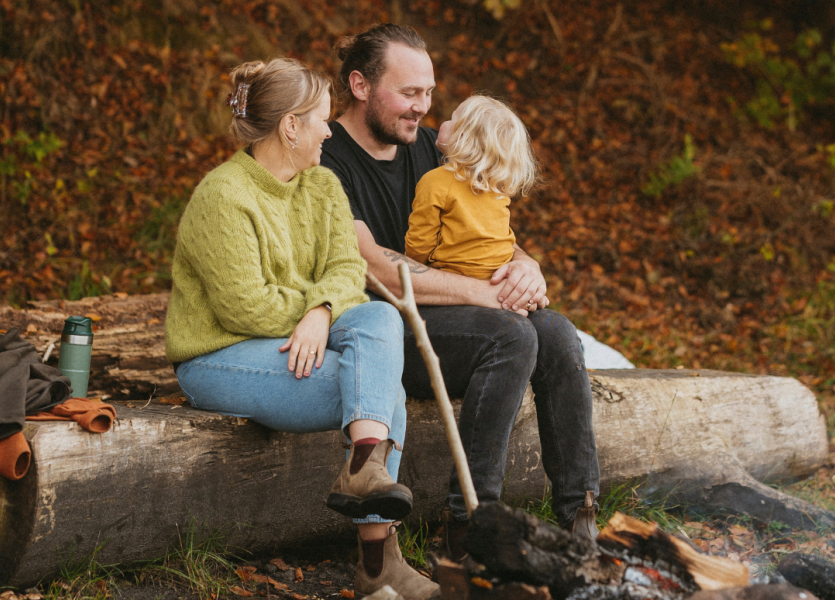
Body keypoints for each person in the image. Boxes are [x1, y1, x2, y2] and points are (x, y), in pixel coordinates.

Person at [320, 24, 601, 557]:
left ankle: (580, 517)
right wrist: (485, 296)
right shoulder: (328, 160)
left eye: (428, 92)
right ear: (359, 85)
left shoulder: (430, 147)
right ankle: (473, 520)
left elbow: (488, 232)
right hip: (382, 331)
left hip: (461, 319)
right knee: (511, 336)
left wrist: (526, 267)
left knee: (558, 333)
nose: (423, 107)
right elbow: (373, 265)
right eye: (409, 93)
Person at [165, 57, 439, 600]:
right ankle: (377, 564)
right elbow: (246, 308)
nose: (329, 130)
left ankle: (363, 471)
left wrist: (320, 313)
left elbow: (345, 271)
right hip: (220, 357)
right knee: (378, 394)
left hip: (296, 341)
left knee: (381, 317)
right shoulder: (223, 196)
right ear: (291, 126)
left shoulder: (323, 185)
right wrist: (315, 309)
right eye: (321, 119)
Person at [404, 95, 537, 279]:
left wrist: (410, 266)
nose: (444, 122)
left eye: (451, 119)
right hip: (500, 274)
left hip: (455, 276)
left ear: (462, 137)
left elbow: (421, 241)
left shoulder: (435, 181)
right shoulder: (496, 185)